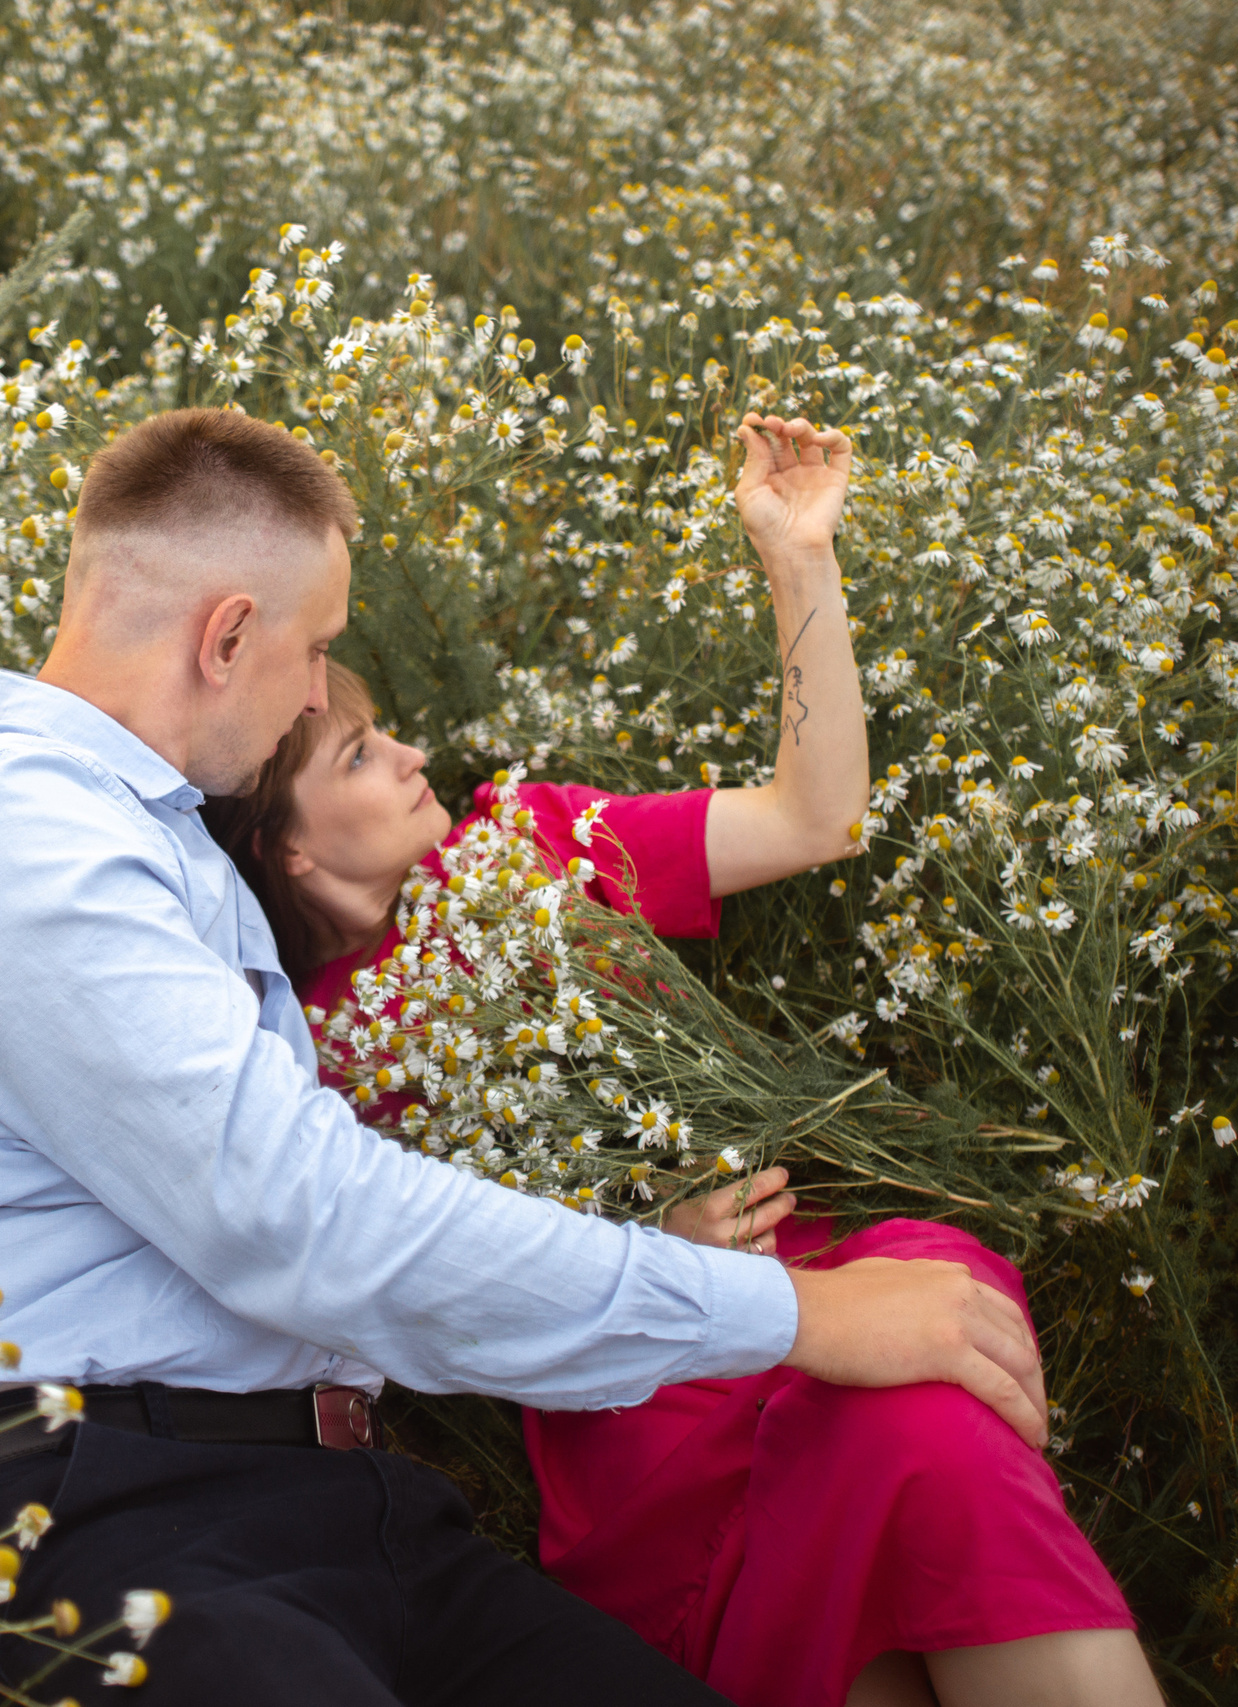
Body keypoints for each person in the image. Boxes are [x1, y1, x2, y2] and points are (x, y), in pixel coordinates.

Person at [0, 404, 1056, 1707]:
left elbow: (816, 815)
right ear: (228, 633)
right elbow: (295, 1212)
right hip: (69, 1496)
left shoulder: (186, 862)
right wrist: (802, 1312)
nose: (318, 693)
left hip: (341, 1509)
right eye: (319, 653)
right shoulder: (9, 813)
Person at [202, 473, 1161, 1703]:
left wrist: (797, 557)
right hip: (644, 1407)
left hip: (811, 1284)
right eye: (361, 752)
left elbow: (818, 817)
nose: (414, 753)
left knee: (926, 1439)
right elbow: (396, 1300)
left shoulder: (526, 845)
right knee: (859, 1566)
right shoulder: (306, 1056)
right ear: (287, 845)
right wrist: (635, 1237)